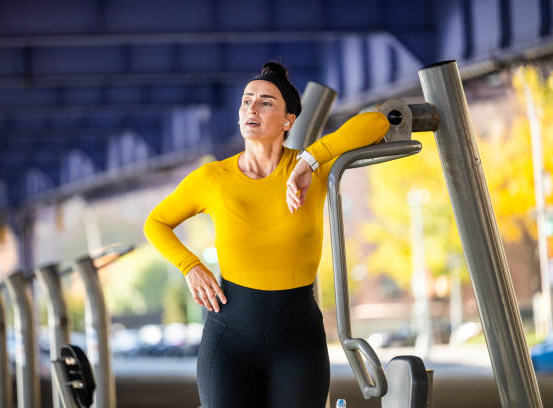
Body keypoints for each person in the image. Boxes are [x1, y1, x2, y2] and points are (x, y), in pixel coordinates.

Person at [144, 61, 389, 407]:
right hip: (229, 341)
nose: (251, 108)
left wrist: (310, 160)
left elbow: (377, 122)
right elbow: (155, 222)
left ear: (289, 120)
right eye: (246, 101)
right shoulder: (212, 178)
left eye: (266, 102)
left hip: (299, 343)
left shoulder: (311, 173)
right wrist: (189, 266)